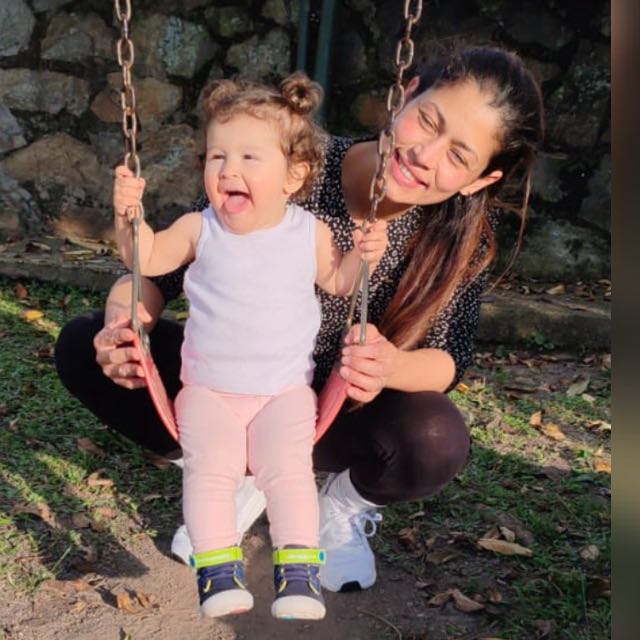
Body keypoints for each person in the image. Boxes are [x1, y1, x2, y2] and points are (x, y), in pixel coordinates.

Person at [55, 45, 544, 598]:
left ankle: (337, 506)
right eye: (428, 121)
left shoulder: (458, 241)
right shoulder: (286, 154)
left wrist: (390, 365)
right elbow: (157, 274)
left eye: (459, 156)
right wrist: (123, 327)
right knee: (82, 344)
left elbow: (449, 359)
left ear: (480, 179)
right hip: (228, 381)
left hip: (331, 408)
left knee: (435, 436)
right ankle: (231, 473)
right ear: (406, 95)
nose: (426, 155)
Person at [112, 72, 388, 620]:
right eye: (217, 156)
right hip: (208, 392)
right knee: (209, 472)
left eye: (248, 158)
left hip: (283, 393)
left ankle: (298, 574)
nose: (228, 170)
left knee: (288, 474)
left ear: (294, 175)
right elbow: (146, 257)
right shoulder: (199, 228)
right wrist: (128, 217)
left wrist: (365, 256)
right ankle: (217, 570)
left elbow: (340, 282)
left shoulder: (308, 232)